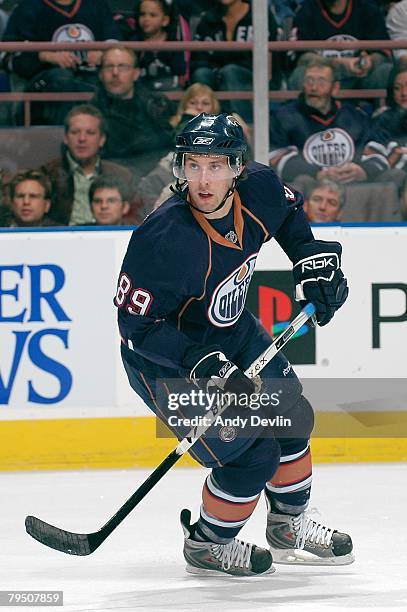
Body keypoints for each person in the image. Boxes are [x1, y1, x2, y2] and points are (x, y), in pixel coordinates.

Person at [115, 112, 353, 576]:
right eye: (194, 165)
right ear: (180, 167)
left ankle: (288, 525)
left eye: (217, 165)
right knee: (252, 455)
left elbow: (286, 215)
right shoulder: (160, 240)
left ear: (237, 168)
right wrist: (202, 362)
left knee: (293, 417)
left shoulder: (259, 186)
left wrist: (310, 262)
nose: (204, 180)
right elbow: (136, 328)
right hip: (168, 359)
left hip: (233, 330)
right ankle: (208, 544)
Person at [269, 57, 389, 190]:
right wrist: (317, 173)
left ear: (335, 88)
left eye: (321, 81)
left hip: (351, 187)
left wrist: (363, 170)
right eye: (309, 81)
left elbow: (378, 153)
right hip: (309, 188)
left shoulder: (355, 116)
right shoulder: (284, 116)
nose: (313, 87)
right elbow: (274, 159)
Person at [138, 83, 252, 214]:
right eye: (193, 103)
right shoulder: (171, 126)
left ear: (214, 107)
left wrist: (240, 133)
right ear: (184, 106)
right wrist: (187, 120)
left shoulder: (228, 134)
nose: (199, 108)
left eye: (205, 103)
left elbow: (243, 160)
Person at [2, 0, 121, 125]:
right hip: (41, 84)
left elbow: (119, 47)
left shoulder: (97, 5)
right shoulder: (28, 7)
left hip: (89, 79)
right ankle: (65, 139)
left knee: (105, 83)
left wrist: (105, 55)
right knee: (61, 79)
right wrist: (45, 56)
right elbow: (6, 58)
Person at [41, 104, 143, 226]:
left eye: (90, 132)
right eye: (75, 132)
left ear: (101, 139)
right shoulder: (47, 174)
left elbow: (138, 218)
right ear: (66, 138)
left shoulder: (122, 175)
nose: (82, 138)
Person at [92, 45, 175, 179]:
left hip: (156, 178)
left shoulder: (157, 105)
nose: (115, 73)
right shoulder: (91, 113)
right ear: (101, 74)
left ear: (136, 73)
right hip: (113, 180)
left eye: (122, 67)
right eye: (109, 67)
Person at [191, 0, 280, 123]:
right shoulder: (208, 18)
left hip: (252, 79)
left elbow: (271, 62)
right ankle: (202, 128)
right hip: (217, 75)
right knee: (201, 74)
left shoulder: (259, 15)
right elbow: (199, 58)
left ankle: (245, 128)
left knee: (231, 71)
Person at [288, 0, 392, 91]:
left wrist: (370, 62)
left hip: (360, 77)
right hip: (322, 79)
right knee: (299, 75)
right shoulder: (305, 10)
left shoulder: (368, 8)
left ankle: (381, 111)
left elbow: (382, 55)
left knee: (386, 71)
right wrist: (337, 64)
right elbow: (302, 58)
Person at [131, 0, 190, 91]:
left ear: (165, 20)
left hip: (168, 88)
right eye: (142, 14)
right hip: (142, 88)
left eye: (153, 15)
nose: (146, 19)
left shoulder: (173, 43)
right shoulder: (134, 42)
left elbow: (180, 71)